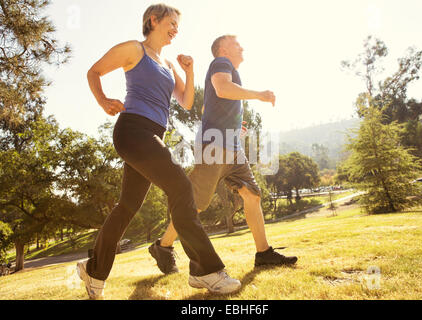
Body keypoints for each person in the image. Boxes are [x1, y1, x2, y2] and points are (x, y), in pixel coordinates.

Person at [76, 5, 241, 299]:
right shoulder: (133, 49)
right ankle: (206, 270)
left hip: (152, 134)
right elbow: (94, 71)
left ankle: (93, 271)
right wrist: (103, 101)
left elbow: (187, 101)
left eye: (178, 25)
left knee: (127, 206)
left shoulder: (166, 63)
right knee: (181, 187)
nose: (176, 29)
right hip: (132, 131)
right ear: (153, 20)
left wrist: (189, 72)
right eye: (172, 23)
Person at [149, 35, 297, 275]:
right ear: (223, 49)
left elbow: (209, 106)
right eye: (237, 43)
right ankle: (163, 246)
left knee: (252, 194)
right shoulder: (221, 64)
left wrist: (234, 126)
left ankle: (264, 253)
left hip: (231, 146)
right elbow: (223, 89)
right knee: (195, 204)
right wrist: (260, 94)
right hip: (215, 147)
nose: (242, 46)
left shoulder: (226, 70)